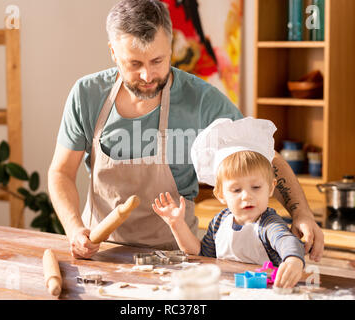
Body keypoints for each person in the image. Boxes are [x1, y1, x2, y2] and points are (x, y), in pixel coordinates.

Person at [48, 0, 323, 261]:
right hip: (102, 253)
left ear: (170, 46)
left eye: (157, 61)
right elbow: (61, 172)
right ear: (113, 53)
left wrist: (301, 214)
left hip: (178, 257)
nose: (147, 76)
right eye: (134, 64)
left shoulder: (201, 99)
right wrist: (74, 229)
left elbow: (265, 157)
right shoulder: (87, 94)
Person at [152, 117, 305, 288]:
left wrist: (293, 260)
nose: (247, 196)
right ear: (220, 195)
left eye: (256, 187)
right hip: (227, 291)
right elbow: (201, 254)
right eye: (236, 190)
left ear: (270, 188)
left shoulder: (268, 223)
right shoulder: (219, 222)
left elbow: (286, 241)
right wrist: (177, 224)